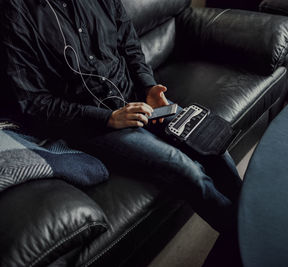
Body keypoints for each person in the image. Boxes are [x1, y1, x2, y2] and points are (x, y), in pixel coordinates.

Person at [1, 0, 242, 232]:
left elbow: (130, 45)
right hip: (92, 124)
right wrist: (108, 118)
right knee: (186, 169)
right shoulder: (15, 13)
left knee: (208, 140)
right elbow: (34, 103)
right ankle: (239, 235)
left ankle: (248, 211)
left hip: (137, 96)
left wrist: (148, 87)